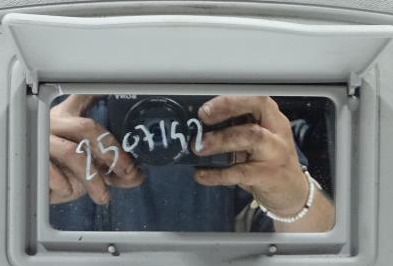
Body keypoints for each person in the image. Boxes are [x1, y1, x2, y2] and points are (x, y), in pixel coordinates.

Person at [48, 94, 335, 233]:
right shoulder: (47, 109)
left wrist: (292, 199)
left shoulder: (230, 115)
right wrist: (28, 169)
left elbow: (317, 249)